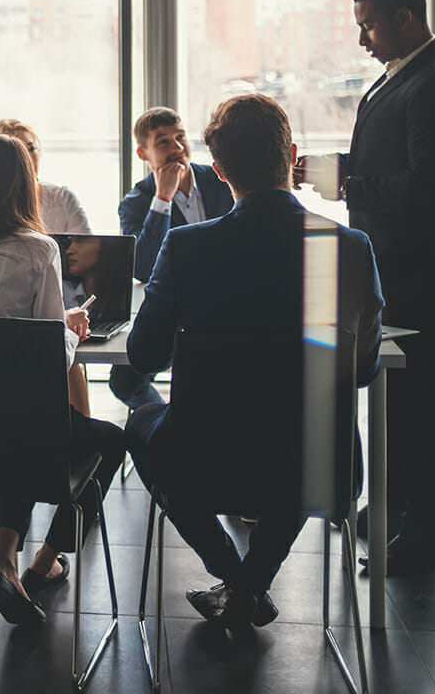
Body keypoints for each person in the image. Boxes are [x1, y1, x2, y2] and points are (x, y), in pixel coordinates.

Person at [126, 94, 383, 630]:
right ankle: (252, 582)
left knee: (142, 426)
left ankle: (235, 576)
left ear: (218, 170)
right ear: (291, 154)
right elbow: (361, 371)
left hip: (206, 459)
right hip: (322, 465)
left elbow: (142, 357)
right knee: (298, 438)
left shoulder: (188, 248)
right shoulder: (347, 247)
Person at [0, 134, 125, 628]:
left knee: (20, 421)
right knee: (106, 442)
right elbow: (51, 359)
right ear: (26, 189)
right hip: (23, 438)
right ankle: (42, 561)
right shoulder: (38, 250)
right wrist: (71, 330)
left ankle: (5, 562)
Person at [296, 0, 435, 574]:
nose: (363, 39)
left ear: (405, 18)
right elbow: (389, 159)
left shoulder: (432, 85)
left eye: (369, 25)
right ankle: (398, 503)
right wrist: (329, 169)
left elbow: (425, 186)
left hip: (415, 273)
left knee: (418, 402)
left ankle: (424, 527)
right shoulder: (397, 81)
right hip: (387, 266)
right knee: (396, 399)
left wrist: (350, 182)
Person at [111, 106, 233, 409]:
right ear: (143, 153)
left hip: (225, 305)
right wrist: (162, 199)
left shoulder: (221, 180)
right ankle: (171, 420)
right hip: (172, 310)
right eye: (163, 142)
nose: (177, 148)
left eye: (180, 138)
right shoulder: (136, 202)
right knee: (125, 381)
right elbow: (142, 269)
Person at [0, 118, 92, 415]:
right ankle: (73, 439)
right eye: (15, 151)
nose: (25, 158)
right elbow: (52, 348)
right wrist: (65, 329)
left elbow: (87, 255)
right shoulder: (40, 248)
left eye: (30, 148)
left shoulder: (61, 198)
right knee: (62, 352)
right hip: (28, 326)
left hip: (64, 298)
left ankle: (74, 429)